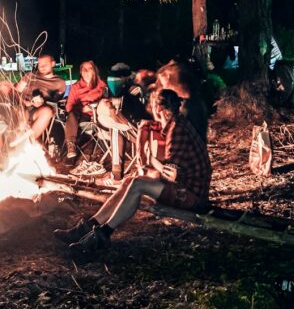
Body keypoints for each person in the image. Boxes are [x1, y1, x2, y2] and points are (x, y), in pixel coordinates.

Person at [55, 89, 212, 251]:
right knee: (130, 181)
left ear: (159, 109)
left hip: (192, 196)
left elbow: (172, 175)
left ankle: (103, 234)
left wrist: (151, 159)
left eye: (151, 103)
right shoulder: (175, 123)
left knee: (137, 184)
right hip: (186, 189)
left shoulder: (176, 129)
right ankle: (89, 226)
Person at [14, 54, 67, 142]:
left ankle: (27, 142)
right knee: (22, 115)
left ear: (53, 64)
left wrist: (43, 102)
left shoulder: (59, 82)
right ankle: (20, 138)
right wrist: (24, 101)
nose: (42, 67)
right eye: (39, 64)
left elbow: (55, 101)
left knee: (47, 112)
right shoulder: (30, 76)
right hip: (21, 106)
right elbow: (15, 92)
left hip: (38, 110)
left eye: (45, 63)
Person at [63, 60, 107, 165]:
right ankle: (71, 147)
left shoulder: (102, 85)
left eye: (89, 69)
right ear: (81, 72)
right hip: (80, 116)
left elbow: (107, 102)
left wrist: (94, 108)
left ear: (95, 71)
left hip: (99, 115)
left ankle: (84, 144)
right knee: (73, 113)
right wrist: (82, 109)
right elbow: (69, 107)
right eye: (84, 69)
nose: (86, 71)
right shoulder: (75, 87)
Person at [155, 60, 209, 142]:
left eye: (162, 83)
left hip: (189, 106)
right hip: (195, 103)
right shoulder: (179, 69)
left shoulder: (169, 74)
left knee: (194, 138)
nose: (162, 86)